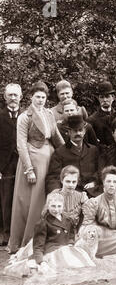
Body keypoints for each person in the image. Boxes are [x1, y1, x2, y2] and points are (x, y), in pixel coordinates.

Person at [8, 81, 65, 254]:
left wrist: (68, 153)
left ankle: (47, 237)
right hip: (32, 159)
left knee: (47, 195)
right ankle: (26, 241)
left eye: (43, 97)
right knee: (32, 202)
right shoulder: (25, 117)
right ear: (31, 97)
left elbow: (56, 136)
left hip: (49, 158)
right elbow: (21, 145)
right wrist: (29, 169)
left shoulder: (49, 114)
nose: (40, 100)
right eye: (37, 97)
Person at [32, 193, 95, 272]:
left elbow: (71, 234)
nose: (56, 209)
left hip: (66, 249)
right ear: (48, 206)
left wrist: (71, 243)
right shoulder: (43, 223)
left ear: (63, 206)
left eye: (59, 206)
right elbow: (38, 246)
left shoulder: (68, 220)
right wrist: (41, 262)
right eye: (53, 206)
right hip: (52, 252)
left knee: (83, 260)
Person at [46, 114, 100, 197]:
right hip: (70, 193)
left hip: (93, 192)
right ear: (69, 132)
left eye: (80, 130)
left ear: (84, 131)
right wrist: (56, 194)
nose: (78, 133)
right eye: (75, 131)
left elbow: (99, 170)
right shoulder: (60, 152)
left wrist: (94, 182)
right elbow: (53, 177)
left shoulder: (93, 150)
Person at [0, 84, 23, 246]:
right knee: (6, 199)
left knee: (22, 198)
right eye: (10, 95)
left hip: (24, 162)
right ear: (4, 97)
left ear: (21, 97)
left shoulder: (27, 115)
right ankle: (6, 234)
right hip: (5, 165)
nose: (13, 98)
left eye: (16, 95)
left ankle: (21, 234)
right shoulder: (0, 117)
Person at [50, 165, 88, 231]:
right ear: (62, 180)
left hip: (73, 233)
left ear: (77, 182)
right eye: (68, 181)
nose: (71, 185)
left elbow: (88, 217)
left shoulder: (81, 196)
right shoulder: (55, 194)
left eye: (74, 182)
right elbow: (45, 216)